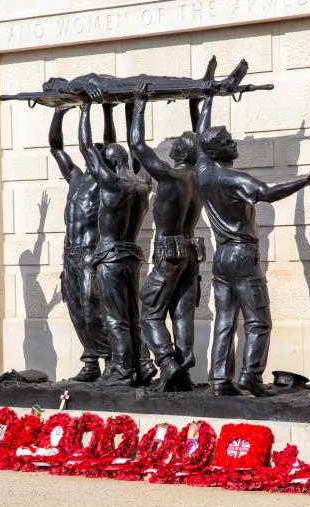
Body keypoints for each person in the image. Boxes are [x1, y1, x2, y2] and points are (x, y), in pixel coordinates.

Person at [195, 80, 310, 397]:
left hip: (221, 258)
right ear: (216, 151)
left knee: (225, 322)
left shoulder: (203, 171)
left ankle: (219, 380)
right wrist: (305, 180)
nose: (235, 145)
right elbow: (268, 194)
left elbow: (201, 135)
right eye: (229, 142)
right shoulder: (235, 178)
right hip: (243, 255)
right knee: (258, 322)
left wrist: (209, 95)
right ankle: (250, 378)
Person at [130, 82, 205, 392]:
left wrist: (140, 104)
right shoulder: (201, 174)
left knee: (150, 311)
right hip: (190, 252)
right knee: (182, 312)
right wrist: (197, 102)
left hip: (169, 251)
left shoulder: (171, 176)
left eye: (178, 141)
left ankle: (168, 363)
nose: (173, 143)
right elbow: (201, 137)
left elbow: (137, 145)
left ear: (183, 152)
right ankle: (184, 367)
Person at [79, 97, 156, 387]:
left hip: (110, 255)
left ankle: (122, 370)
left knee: (115, 317)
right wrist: (136, 109)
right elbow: (140, 146)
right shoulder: (142, 184)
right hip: (132, 254)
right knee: (133, 316)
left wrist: (85, 110)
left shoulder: (111, 185)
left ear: (109, 164)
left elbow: (87, 149)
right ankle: (143, 364)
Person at [50, 104, 116, 382]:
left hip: (92, 254)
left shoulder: (106, 182)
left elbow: (112, 143)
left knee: (95, 311)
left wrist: (108, 111)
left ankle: (114, 360)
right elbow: (55, 147)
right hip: (70, 255)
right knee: (76, 311)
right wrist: (59, 112)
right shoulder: (76, 177)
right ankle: (91, 363)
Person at [42, 56, 245, 104]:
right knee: (161, 85)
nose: (57, 80)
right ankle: (215, 84)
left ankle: (205, 82)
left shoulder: (71, 83)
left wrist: (84, 85)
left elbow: (75, 86)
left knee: (163, 81)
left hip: (121, 83)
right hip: (118, 87)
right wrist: (83, 86)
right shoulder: (61, 86)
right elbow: (72, 87)